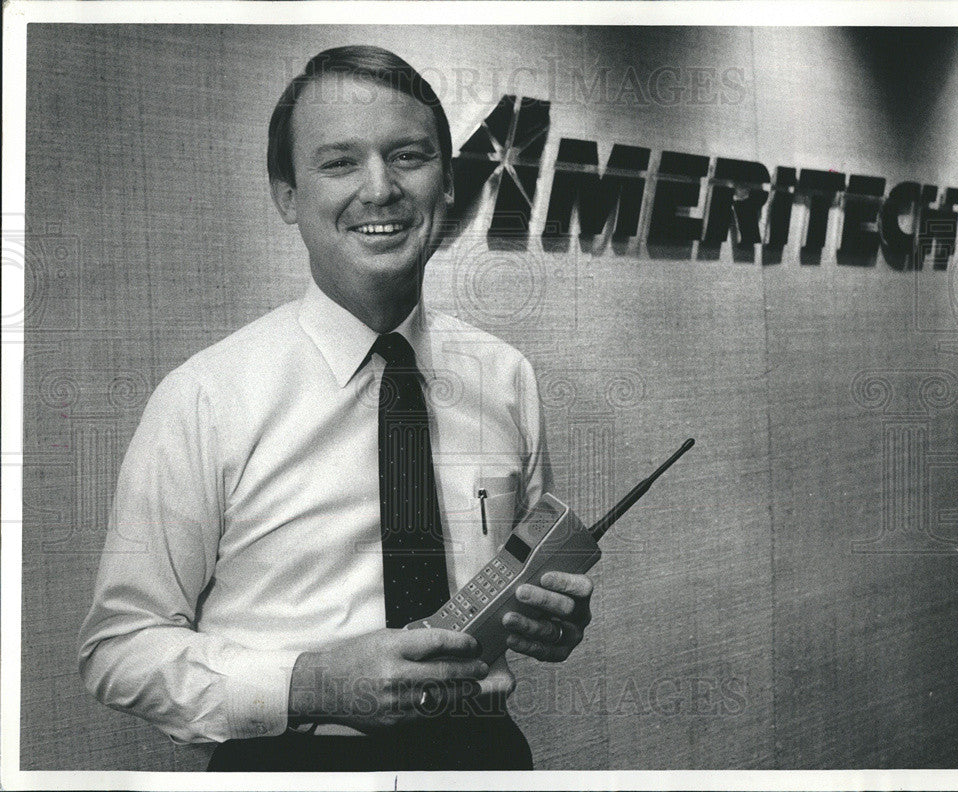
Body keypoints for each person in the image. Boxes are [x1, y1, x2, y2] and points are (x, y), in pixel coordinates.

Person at [78, 45, 595, 772]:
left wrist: (550, 620)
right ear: (287, 195)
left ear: (446, 183)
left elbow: (519, 575)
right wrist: (312, 686)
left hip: (486, 758)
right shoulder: (204, 398)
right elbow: (118, 650)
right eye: (339, 162)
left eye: (408, 155)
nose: (380, 188)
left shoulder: (506, 377)